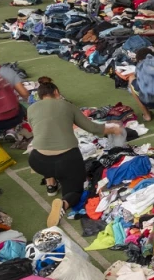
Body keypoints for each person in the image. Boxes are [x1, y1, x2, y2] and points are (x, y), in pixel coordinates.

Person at [27, 78, 124, 220]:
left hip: (38, 161)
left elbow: (40, 132)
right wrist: (113, 129)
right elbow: (92, 128)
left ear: (40, 96)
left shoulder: (31, 109)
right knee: (75, 191)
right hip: (67, 161)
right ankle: (63, 204)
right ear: (56, 92)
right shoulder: (67, 105)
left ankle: (51, 185)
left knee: (45, 150)